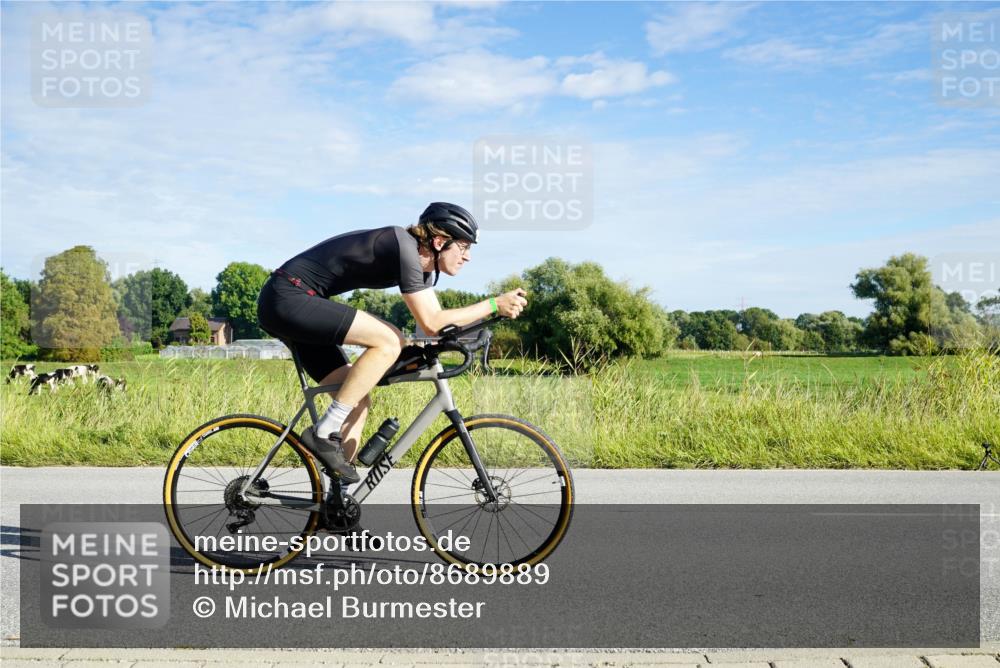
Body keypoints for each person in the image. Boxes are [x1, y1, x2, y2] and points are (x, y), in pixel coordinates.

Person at [256, 202, 527, 483]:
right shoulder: (403, 246)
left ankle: (338, 501)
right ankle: (323, 432)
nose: (467, 256)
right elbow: (431, 322)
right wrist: (493, 304)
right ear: (439, 241)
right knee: (389, 340)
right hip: (287, 297)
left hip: (298, 302)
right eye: (463, 247)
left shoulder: (421, 267)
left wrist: (478, 328)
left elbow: (439, 326)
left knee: (356, 398)